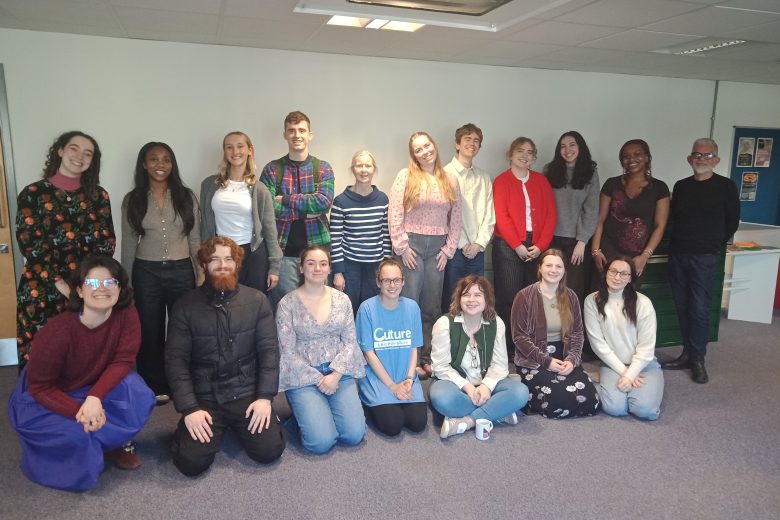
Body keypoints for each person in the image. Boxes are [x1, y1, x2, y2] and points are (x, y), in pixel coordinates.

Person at [8, 255, 155, 491]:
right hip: (46, 396)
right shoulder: (57, 332)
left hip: (91, 383)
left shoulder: (127, 313)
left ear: (119, 288)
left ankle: (111, 443)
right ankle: (95, 439)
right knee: (78, 437)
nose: (102, 289)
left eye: (110, 282)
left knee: (139, 392)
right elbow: (40, 388)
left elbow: (123, 360)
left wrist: (94, 397)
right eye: (92, 283)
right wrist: (80, 412)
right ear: (79, 290)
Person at [165, 237, 285, 476]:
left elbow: (269, 352)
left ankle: (254, 422)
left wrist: (264, 398)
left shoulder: (257, 300)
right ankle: (192, 429)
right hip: (205, 397)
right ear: (204, 264)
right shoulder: (185, 306)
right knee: (190, 463)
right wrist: (189, 409)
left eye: (229, 259)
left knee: (269, 450)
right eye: (215, 259)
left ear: (237, 263)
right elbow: (175, 361)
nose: (222, 265)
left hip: (247, 392)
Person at [16, 131, 116, 368]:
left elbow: (105, 244)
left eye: (87, 153)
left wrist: (86, 284)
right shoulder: (33, 194)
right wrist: (59, 282)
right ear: (60, 151)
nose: (80, 156)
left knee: (83, 354)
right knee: (41, 355)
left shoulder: (98, 196)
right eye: (74, 148)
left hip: (85, 287)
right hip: (42, 286)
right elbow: (30, 244)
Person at [121, 142, 201, 405]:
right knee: (150, 329)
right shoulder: (133, 199)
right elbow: (128, 244)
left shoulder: (186, 196)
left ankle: (182, 381)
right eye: (154, 159)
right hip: (147, 272)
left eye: (166, 159)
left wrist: (200, 273)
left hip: (181, 270)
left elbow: (195, 239)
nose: (160, 165)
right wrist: (127, 284)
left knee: (182, 328)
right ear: (144, 164)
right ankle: (153, 384)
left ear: (172, 164)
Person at [662, 138, 740, 384]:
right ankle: (687, 354)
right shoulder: (681, 186)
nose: (701, 159)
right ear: (689, 159)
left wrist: (713, 244)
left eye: (707, 155)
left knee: (699, 309)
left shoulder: (726, 186)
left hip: (705, 257)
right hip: (678, 254)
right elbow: (675, 219)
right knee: (682, 306)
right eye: (697, 154)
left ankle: (698, 359)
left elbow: (732, 222)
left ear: (716, 160)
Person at [276, 246, 367, 454]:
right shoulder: (287, 304)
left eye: (323, 264)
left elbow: (350, 342)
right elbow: (287, 352)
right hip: (303, 375)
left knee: (353, 435)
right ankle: (301, 417)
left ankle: (318, 413)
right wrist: (319, 379)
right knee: (320, 443)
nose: (317, 268)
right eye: (311, 263)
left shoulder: (342, 300)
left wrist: (335, 375)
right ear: (301, 268)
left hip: (338, 372)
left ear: (329, 269)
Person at [389, 131, 462, 378]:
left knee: (431, 306)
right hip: (411, 246)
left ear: (434, 145)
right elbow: (395, 212)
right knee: (410, 304)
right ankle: (410, 359)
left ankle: (427, 357)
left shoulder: (450, 179)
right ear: (414, 155)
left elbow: (456, 217)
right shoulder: (405, 176)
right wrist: (402, 246)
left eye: (427, 146)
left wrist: (448, 249)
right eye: (418, 149)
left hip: (437, 250)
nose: (425, 151)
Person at [430, 275, 529, 438]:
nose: (471, 300)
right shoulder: (444, 323)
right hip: (453, 382)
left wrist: (486, 386)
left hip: (486, 382)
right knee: (442, 399)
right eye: (466, 294)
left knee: (520, 392)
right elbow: (440, 367)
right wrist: (467, 387)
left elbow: (499, 365)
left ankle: (468, 421)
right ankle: (497, 412)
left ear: (486, 299)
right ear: (459, 298)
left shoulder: (496, 323)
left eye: (478, 295)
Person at [511, 249, 599, 418]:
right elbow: (519, 337)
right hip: (534, 358)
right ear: (540, 268)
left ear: (564, 270)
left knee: (591, 402)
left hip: (564, 355)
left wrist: (572, 360)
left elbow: (577, 333)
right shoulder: (524, 296)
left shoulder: (571, 296)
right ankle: (532, 399)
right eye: (549, 265)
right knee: (560, 402)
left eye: (558, 266)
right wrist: (547, 361)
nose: (554, 270)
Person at [260, 111, 335, 306]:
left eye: (302, 130)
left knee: (318, 305)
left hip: (318, 251)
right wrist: (308, 210)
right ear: (285, 134)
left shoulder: (323, 168)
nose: (297, 135)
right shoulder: (272, 169)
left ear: (310, 135)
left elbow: (323, 203)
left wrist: (285, 199)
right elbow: (267, 208)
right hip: (283, 253)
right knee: (285, 307)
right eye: (291, 130)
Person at [492, 137, 556, 360]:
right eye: (520, 150)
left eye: (530, 152)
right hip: (507, 245)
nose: (525, 155)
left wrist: (541, 245)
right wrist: (517, 245)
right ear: (510, 154)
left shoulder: (541, 181)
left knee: (534, 298)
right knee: (509, 297)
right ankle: (510, 348)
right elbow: (501, 216)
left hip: (537, 245)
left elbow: (551, 215)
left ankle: (531, 345)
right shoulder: (501, 181)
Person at [200, 131, 282, 293]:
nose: (235, 151)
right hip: (221, 253)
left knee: (253, 301)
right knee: (220, 299)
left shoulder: (260, 189)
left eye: (240, 146)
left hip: (252, 254)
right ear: (224, 152)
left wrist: (274, 267)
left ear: (250, 150)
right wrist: (204, 257)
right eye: (229, 147)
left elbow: (270, 230)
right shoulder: (209, 185)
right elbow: (205, 225)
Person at [584, 257, 663, 420]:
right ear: (606, 273)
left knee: (644, 411)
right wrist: (625, 373)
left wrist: (630, 374)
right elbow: (598, 344)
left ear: (630, 278)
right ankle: (601, 381)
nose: (617, 277)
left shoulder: (643, 303)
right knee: (615, 408)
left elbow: (646, 347)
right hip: (612, 364)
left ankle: (651, 384)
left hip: (644, 365)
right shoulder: (592, 301)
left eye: (624, 273)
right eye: (613, 271)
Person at [355, 257, 427, 436]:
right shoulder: (366, 309)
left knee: (417, 423)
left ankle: (401, 392)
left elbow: (414, 348)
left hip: (405, 375)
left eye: (396, 280)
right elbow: (369, 354)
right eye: (386, 280)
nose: (392, 285)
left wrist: (409, 379)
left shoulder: (412, 308)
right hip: (378, 378)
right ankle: (368, 398)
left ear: (403, 281)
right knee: (392, 425)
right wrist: (392, 386)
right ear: (378, 282)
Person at [591, 139, 670, 281]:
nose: (631, 159)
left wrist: (645, 256)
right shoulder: (611, 184)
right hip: (607, 252)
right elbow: (600, 219)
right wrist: (595, 251)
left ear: (647, 157)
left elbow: (660, 225)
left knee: (629, 293)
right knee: (601, 292)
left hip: (636, 256)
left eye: (637, 154)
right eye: (626, 156)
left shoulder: (659, 188)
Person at [441, 123, 495, 312]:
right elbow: (444, 215)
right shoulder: (444, 174)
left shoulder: (484, 177)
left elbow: (489, 214)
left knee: (476, 300)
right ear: (457, 144)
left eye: (476, 140)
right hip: (453, 249)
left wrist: (479, 243)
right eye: (467, 139)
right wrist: (463, 244)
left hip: (477, 250)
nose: (472, 143)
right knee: (452, 299)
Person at [331, 150, 391, 313]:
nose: (364, 170)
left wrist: (387, 265)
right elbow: (335, 240)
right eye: (359, 166)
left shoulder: (383, 200)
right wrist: (338, 272)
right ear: (353, 169)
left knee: (371, 310)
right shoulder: (340, 201)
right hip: (349, 266)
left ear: (374, 169)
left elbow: (386, 236)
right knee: (347, 309)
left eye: (368, 166)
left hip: (376, 266)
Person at [543, 131, 600, 304]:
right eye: (563, 146)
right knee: (550, 287)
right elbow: (542, 204)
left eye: (572, 145)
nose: (567, 150)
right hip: (551, 239)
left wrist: (582, 242)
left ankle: (573, 323)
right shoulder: (549, 170)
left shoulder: (590, 172)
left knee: (573, 290)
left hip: (577, 242)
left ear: (580, 147)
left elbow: (591, 209)